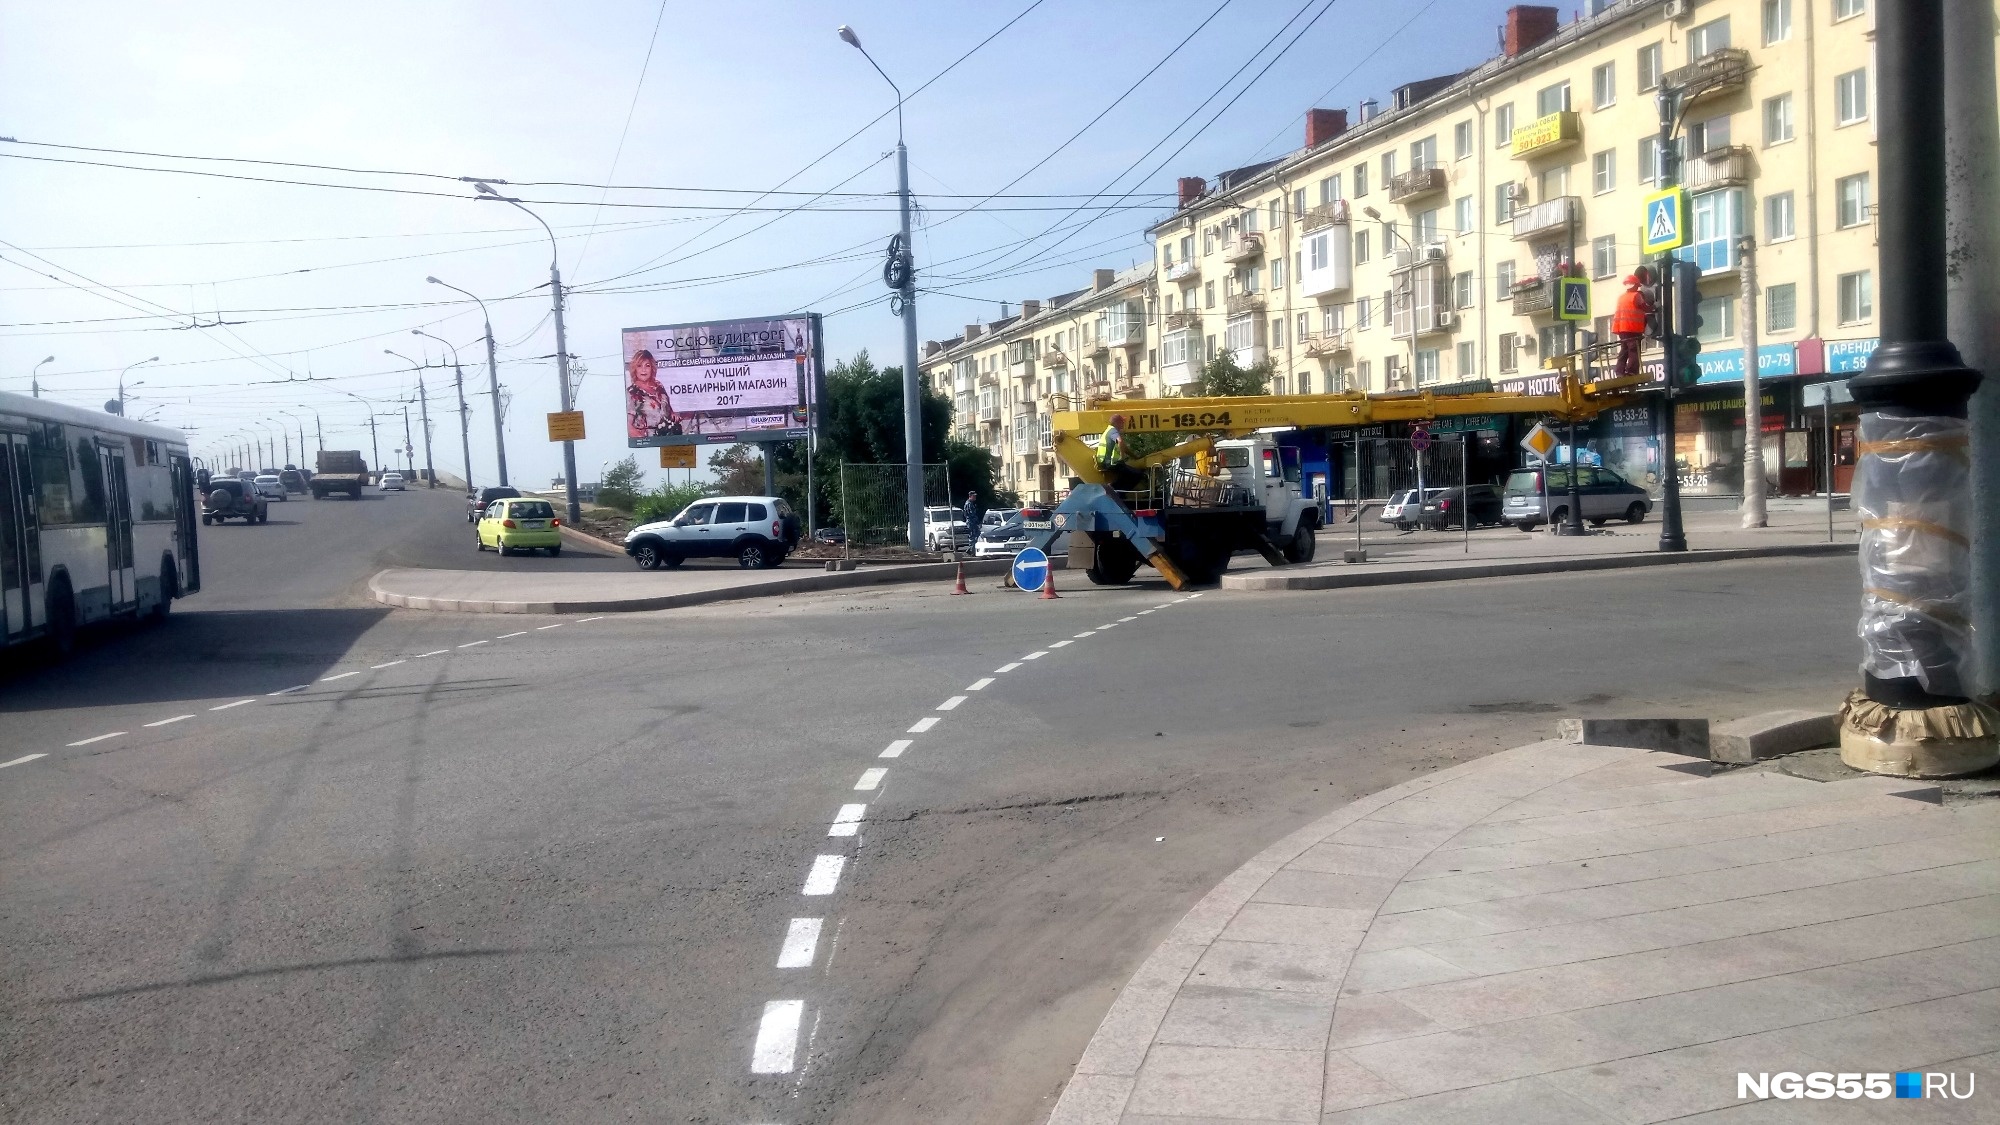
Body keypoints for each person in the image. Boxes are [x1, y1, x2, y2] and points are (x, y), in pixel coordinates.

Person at [626, 349, 683, 437]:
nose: (643, 370)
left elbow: (667, 409)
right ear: (635, 369)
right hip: (648, 440)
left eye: (647, 366)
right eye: (639, 366)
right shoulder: (631, 393)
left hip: (667, 438)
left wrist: (673, 414)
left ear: (652, 368)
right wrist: (643, 441)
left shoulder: (659, 386)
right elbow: (628, 426)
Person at [1611, 267, 1655, 379]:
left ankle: (1619, 372)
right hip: (1633, 329)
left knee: (1624, 350)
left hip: (1622, 329)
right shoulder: (1637, 295)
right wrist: (1654, 308)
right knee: (1634, 350)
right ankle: (1632, 371)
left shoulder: (1621, 297)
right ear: (1635, 285)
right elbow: (1644, 307)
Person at [1096, 413, 1146, 493]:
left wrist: (1135, 457)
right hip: (1111, 464)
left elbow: (1124, 448)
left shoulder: (1108, 430)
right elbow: (1120, 441)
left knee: (1126, 474)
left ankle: (1117, 490)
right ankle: (1115, 490)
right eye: (1122, 422)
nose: (1123, 424)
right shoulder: (1113, 431)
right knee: (1138, 474)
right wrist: (1122, 458)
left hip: (1107, 463)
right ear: (1116, 423)